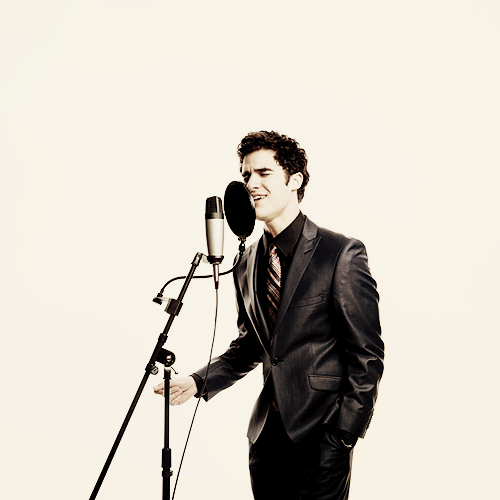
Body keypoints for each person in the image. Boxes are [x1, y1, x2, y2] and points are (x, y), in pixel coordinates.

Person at [154, 131, 384, 500]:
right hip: (265, 440)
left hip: (323, 436)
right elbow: (250, 346)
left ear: (295, 181)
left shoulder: (340, 253)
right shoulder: (246, 263)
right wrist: (198, 381)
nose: (251, 184)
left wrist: (344, 433)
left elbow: (367, 354)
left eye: (264, 173)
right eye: (246, 175)